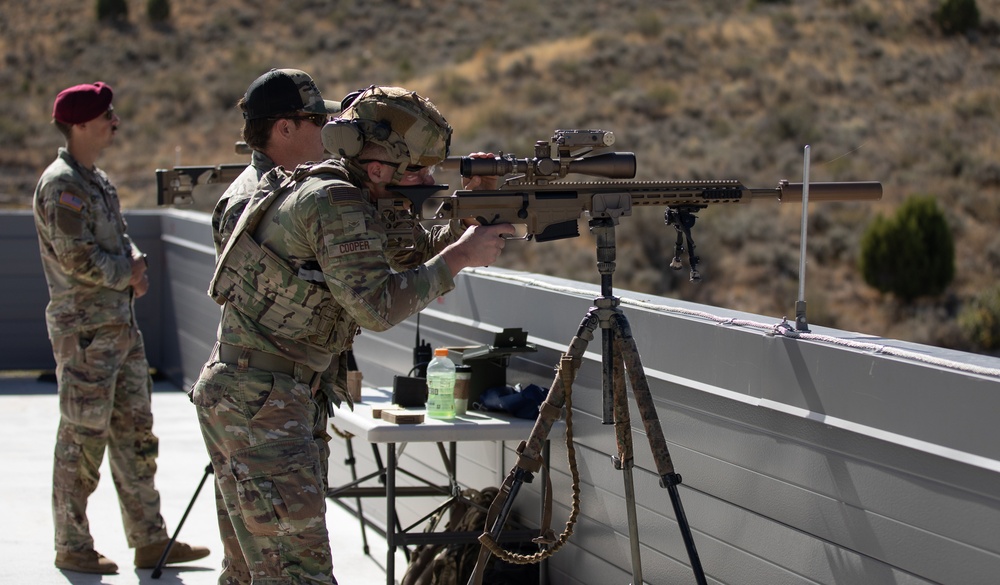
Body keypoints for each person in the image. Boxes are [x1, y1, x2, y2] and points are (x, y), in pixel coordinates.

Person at [191, 85, 512, 584]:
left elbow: (405, 254)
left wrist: (473, 214)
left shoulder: (346, 192)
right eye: (418, 169)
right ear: (380, 165)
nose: (428, 180)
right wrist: (461, 257)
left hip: (262, 396)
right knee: (298, 574)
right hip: (263, 403)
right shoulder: (333, 198)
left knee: (254, 573)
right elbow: (376, 306)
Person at [32, 81, 211, 574]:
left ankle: (150, 538)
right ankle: (72, 543)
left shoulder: (96, 180)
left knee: (136, 436)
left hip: (120, 332)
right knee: (82, 440)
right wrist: (126, 273)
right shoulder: (61, 185)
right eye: (107, 116)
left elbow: (121, 237)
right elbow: (75, 259)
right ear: (81, 125)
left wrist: (134, 259)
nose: (115, 122)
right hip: (87, 334)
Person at [211, 68, 340, 256]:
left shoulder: (285, 188)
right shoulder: (251, 204)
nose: (326, 126)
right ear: (285, 128)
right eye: (317, 119)